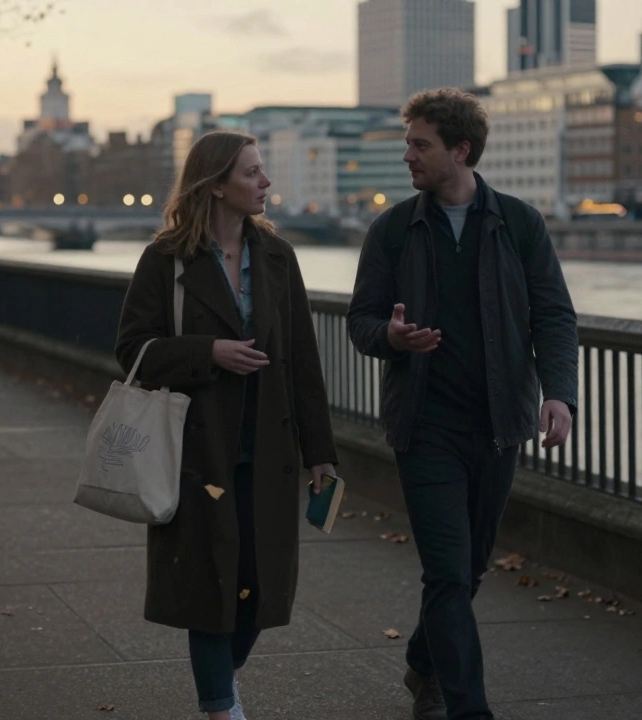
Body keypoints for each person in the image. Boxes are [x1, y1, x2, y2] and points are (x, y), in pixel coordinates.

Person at [347, 88, 579, 720]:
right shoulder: (393, 230)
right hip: (423, 427)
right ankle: (464, 706)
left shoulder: (520, 224)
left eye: (420, 144)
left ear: (461, 150)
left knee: (469, 569)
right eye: (408, 143)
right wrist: (389, 337)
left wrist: (559, 393)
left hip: (499, 426)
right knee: (447, 573)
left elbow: (555, 318)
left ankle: (424, 663)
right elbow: (360, 321)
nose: (407, 156)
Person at [113, 130, 339, 720]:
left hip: (269, 447)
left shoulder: (277, 257)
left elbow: (301, 360)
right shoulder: (167, 259)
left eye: (262, 172)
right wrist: (207, 352)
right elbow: (132, 350)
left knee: (261, 588)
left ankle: (221, 685)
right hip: (198, 450)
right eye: (253, 173)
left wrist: (321, 453)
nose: (266, 183)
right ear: (216, 187)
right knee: (210, 585)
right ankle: (220, 707)